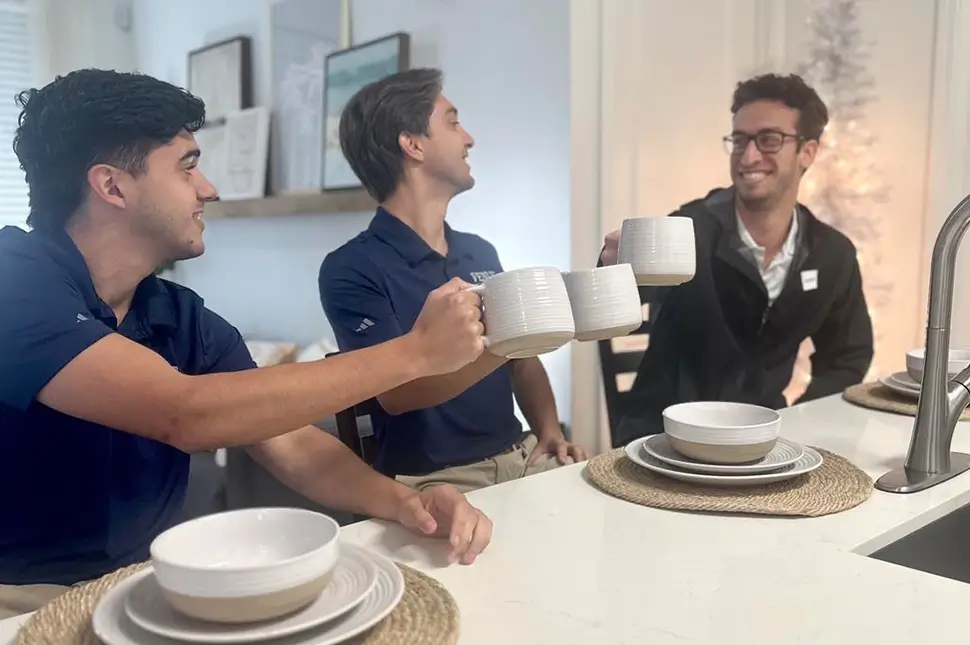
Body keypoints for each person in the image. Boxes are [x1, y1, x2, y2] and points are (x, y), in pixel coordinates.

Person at [0, 69, 493, 617]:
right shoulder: (13, 281)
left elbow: (292, 443)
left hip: (141, 588)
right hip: (21, 599)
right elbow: (185, 413)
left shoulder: (176, 314)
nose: (208, 188)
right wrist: (415, 352)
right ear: (112, 186)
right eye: (187, 167)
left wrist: (407, 504)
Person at [318, 68, 586, 493]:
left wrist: (549, 430)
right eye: (453, 122)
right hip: (435, 482)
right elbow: (397, 394)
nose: (469, 138)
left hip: (520, 458)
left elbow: (522, 362)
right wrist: (512, 339)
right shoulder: (352, 269)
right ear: (413, 144)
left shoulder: (480, 252)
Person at [600, 73, 874, 446]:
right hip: (663, 438)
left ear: (807, 152)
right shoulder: (690, 229)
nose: (748, 156)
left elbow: (847, 356)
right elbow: (615, 311)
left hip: (762, 443)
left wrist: (801, 423)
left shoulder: (831, 254)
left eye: (769, 139)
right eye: (740, 140)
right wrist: (614, 272)